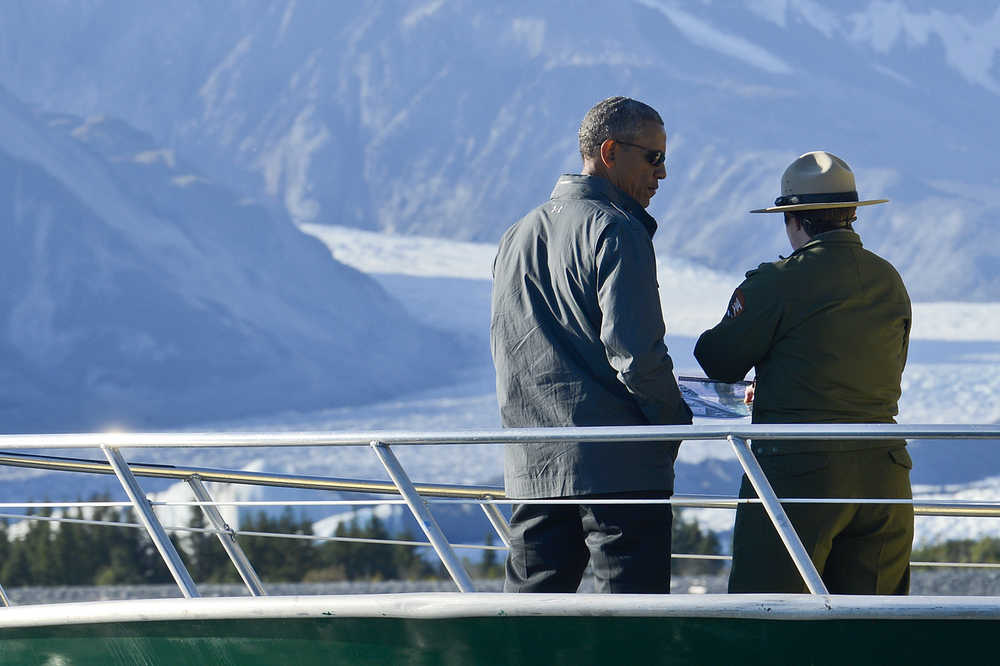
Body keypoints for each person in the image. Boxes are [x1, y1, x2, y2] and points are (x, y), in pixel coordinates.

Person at [490, 96, 692, 594]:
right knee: (629, 632)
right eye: (654, 157)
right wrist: (673, 425)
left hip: (534, 467)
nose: (662, 174)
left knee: (526, 633)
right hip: (621, 470)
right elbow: (636, 354)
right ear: (609, 151)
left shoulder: (516, 235)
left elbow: (510, 349)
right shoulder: (616, 229)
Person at [694, 151, 913, 594]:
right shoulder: (888, 278)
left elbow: (718, 358)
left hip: (799, 472)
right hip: (884, 473)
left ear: (793, 219)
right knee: (873, 630)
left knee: (769, 617)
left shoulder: (778, 281)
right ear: (852, 214)